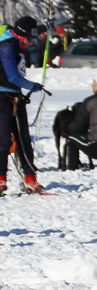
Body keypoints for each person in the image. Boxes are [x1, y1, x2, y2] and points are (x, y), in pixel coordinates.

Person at [0, 16, 45, 195]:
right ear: (22, 34)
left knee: (24, 139)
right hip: (3, 98)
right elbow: (12, 76)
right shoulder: (7, 45)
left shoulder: (16, 44)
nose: (30, 42)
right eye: (29, 38)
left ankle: (30, 178)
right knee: (4, 140)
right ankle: (1, 179)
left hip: (15, 97)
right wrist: (32, 86)